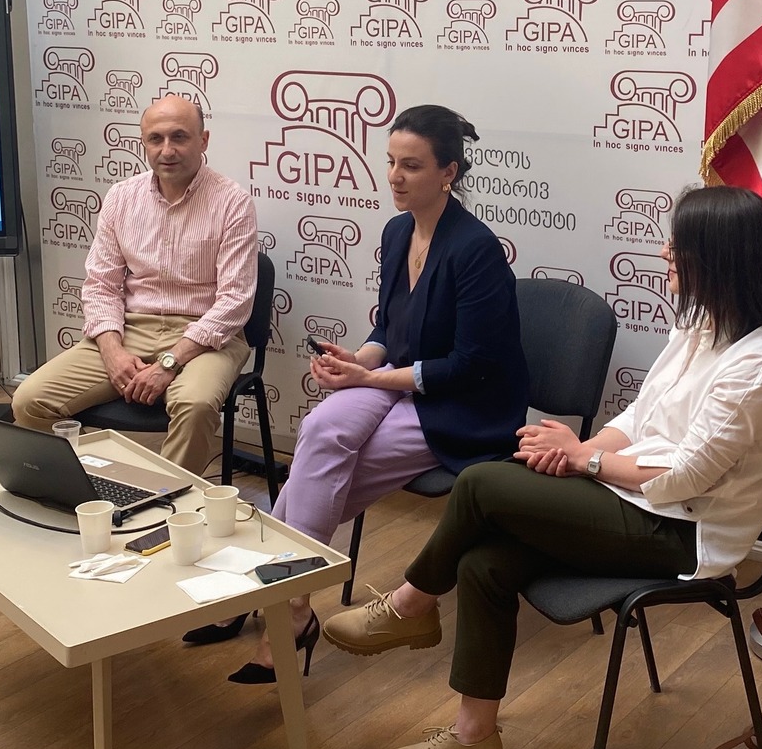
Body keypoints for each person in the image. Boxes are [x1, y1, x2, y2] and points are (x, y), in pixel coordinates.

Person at [318, 185, 762, 749]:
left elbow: (685, 477)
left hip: (684, 534)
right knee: (483, 562)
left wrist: (585, 463)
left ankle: (410, 605)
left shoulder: (761, 367)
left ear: (717, 259)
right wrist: (583, 449)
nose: (664, 253)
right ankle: (473, 741)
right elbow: (641, 418)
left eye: (677, 245)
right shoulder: (703, 325)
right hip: (635, 500)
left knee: (479, 485)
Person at [194, 104, 528, 684]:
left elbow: (470, 366)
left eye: (412, 166)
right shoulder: (398, 231)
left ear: (449, 172)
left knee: (326, 468)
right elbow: (391, 329)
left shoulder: (476, 249)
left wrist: (370, 379)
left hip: (464, 406)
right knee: (321, 430)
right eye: (391, 162)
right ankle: (290, 602)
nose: (395, 177)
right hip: (400, 378)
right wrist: (359, 359)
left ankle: (279, 601)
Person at [11, 95, 257, 475]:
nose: (167, 150)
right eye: (155, 139)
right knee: (29, 400)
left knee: (195, 405)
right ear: (143, 143)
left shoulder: (233, 202)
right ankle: (84, 485)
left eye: (179, 137)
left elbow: (235, 301)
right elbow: (101, 286)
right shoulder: (121, 197)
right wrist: (112, 352)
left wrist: (170, 362)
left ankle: (168, 499)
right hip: (129, 329)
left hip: (206, 337)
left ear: (203, 140)